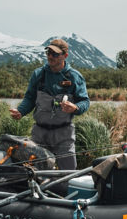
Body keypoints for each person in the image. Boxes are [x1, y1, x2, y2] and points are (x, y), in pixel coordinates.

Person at [9, 38, 90, 171]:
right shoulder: (38, 74)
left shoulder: (74, 77)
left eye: (55, 54)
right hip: (39, 134)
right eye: (49, 53)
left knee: (68, 174)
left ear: (65, 56)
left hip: (64, 134)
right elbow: (29, 98)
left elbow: (85, 102)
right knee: (37, 175)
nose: (50, 56)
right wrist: (21, 111)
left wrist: (75, 108)